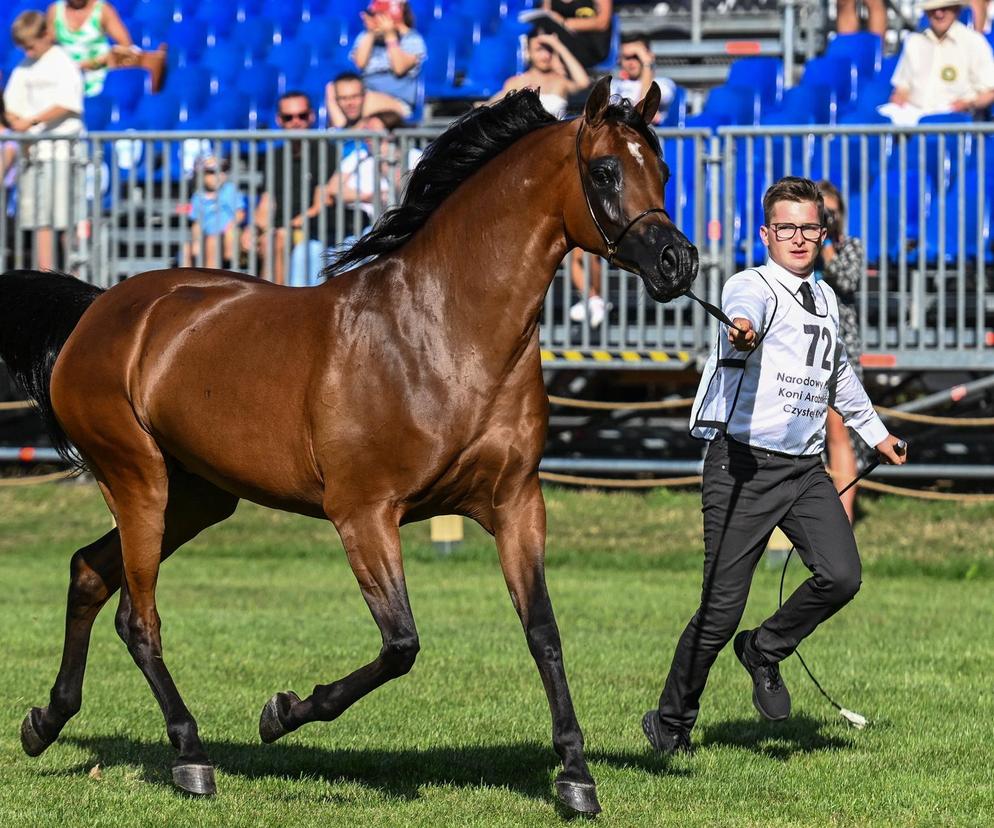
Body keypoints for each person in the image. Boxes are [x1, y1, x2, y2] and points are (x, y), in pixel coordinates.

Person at [643, 176, 907, 755]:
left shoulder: (828, 299)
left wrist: (876, 433)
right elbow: (743, 315)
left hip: (805, 469)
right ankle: (671, 721)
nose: (798, 237)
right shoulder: (751, 286)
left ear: (822, 231)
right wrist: (743, 330)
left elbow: (837, 374)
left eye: (808, 227)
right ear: (767, 234)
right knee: (718, 612)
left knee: (841, 576)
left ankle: (763, 648)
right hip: (743, 467)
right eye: (786, 227)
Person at [243, 91, 367, 286]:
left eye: (301, 116)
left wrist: (286, 227)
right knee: (224, 238)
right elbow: (267, 203)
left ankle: (276, 303)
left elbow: (322, 203)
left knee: (275, 240)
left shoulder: (327, 152)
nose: (296, 122)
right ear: (279, 120)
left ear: (311, 116)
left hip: (315, 228)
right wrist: (253, 228)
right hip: (280, 229)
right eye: (288, 117)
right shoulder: (273, 157)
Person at [3, 10, 84, 271]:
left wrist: (33, 121)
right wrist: (16, 120)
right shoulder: (24, 67)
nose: (28, 52)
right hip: (33, 155)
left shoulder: (63, 63)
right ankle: (45, 275)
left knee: (65, 219)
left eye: (31, 46)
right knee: (40, 221)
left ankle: (73, 274)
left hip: (61, 153)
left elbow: (68, 104)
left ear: (46, 35)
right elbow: (12, 104)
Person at [816, 180, 866, 524]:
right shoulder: (801, 248)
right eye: (822, 213)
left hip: (841, 348)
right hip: (807, 349)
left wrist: (829, 245)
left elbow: (845, 280)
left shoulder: (851, 247)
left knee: (840, 433)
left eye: (832, 213)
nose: (828, 219)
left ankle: (841, 522)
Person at [885, 0, 994, 124]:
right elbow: (902, 88)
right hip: (914, 124)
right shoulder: (914, 41)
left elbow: (990, 91)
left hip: (956, 125)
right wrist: (899, 99)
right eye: (933, 9)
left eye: (945, 8)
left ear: (956, 9)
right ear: (926, 12)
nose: (939, 14)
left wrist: (968, 103)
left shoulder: (974, 43)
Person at [47, 0, 166, 97]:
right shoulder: (55, 11)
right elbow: (47, 47)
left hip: (100, 73)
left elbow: (125, 44)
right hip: (67, 75)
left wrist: (96, 62)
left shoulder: (102, 9)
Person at [349, 0, 426, 118]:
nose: (374, 18)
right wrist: (370, 33)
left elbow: (399, 68)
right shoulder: (365, 36)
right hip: (366, 96)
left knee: (363, 101)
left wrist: (390, 36)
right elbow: (359, 64)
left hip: (398, 102)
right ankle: (339, 134)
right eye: (373, 14)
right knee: (334, 90)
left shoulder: (412, 39)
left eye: (379, 14)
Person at [182, 155, 245, 269]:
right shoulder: (198, 196)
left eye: (223, 170)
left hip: (228, 235)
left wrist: (230, 228)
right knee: (186, 249)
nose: (218, 175)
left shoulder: (230, 190)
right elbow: (197, 223)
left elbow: (240, 213)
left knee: (212, 242)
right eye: (211, 172)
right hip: (206, 236)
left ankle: (209, 281)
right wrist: (196, 240)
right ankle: (188, 279)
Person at [610, 35, 675, 125]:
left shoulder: (663, 84)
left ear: (650, 56)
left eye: (637, 56)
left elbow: (645, 108)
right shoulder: (614, 85)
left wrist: (647, 64)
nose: (631, 62)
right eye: (627, 57)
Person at [533, 0, 613, 69]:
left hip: (590, 46)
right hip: (560, 42)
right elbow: (545, 13)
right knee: (539, 24)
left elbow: (602, 23)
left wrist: (564, 23)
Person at [324, 70, 408, 129]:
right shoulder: (333, 114)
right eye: (343, 98)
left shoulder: (378, 112)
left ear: (364, 96)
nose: (350, 103)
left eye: (355, 96)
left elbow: (403, 115)